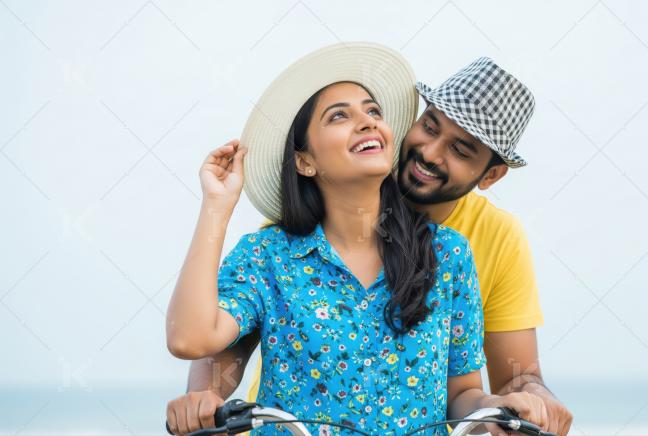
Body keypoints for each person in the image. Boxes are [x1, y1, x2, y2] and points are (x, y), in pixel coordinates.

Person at [165, 43, 547, 436]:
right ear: (305, 160)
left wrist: (494, 409)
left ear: (490, 175)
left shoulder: (449, 254)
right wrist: (216, 206)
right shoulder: (269, 253)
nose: (367, 122)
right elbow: (195, 340)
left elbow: (465, 391)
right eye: (339, 116)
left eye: (373, 111)